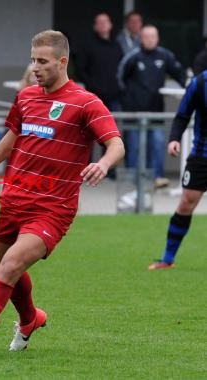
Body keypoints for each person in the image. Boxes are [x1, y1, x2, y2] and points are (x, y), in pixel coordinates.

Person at [0, 30, 124, 359]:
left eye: (42, 61)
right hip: (14, 199)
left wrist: (104, 163)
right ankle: (30, 319)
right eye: (32, 60)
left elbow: (116, 143)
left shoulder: (86, 102)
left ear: (62, 61)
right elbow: (13, 135)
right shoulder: (26, 97)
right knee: (6, 270)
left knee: (10, 265)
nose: (35, 67)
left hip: (53, 208)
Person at [148, 70, 207, 269]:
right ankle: (167, 258)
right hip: (201, 157)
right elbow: (182, 115)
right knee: (185, 204)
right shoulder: (200, 83)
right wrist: (174, 138)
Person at [117, 25, 186, 189]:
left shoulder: (165, 55)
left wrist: (189, 91)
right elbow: (120, 78)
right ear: (141, 38)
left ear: (158, 38)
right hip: (135, 112)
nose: (150, 39)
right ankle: (134, 180)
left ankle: (157, 177)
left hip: (156, 111)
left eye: (153, 36)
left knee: (157, 143)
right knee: (134, 146)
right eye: (147, 36)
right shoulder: (133, 56)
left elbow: (179, 73)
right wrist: (127, 100)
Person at [75, 13, 124, 112]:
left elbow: (123, 67)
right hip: (95, 95)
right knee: (95, 124)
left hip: (115, 96)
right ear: (95, 27)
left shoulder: (116, 46)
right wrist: (93, 86)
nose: (103, 24)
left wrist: (120, 86)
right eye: (100, 22)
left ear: (110, 25)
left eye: (105, 21)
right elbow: (80, 69)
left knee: (115, 125)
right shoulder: (87, 46)